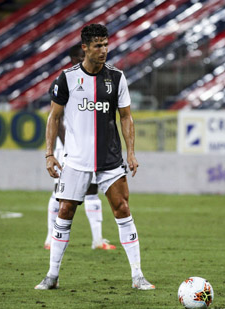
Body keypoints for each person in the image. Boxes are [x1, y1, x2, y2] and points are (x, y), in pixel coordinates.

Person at [35, 24, 155, 290]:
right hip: (76, 160)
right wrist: (49, 154)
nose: (104, 50)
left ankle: (137, 276)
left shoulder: (117, 78)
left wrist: (131, 152)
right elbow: (54, 117)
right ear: (85, 48)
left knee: (122, 209)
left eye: (106, 44)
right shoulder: (66, 79)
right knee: (64, 212)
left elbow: (126, 117)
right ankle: (52, 275)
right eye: (98, 45)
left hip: (110, 160)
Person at [44, 44, 116, 251]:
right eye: (77, 56)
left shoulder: (97, 80)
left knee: (92, 190)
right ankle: (50, 238)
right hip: (66, 147)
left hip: (89, 147)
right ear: (71, 58)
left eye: (82, 55)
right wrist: (69, 146)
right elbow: (55, 118)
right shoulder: (63, 80)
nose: (80, 58)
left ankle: (97, 240)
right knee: (60, 191)